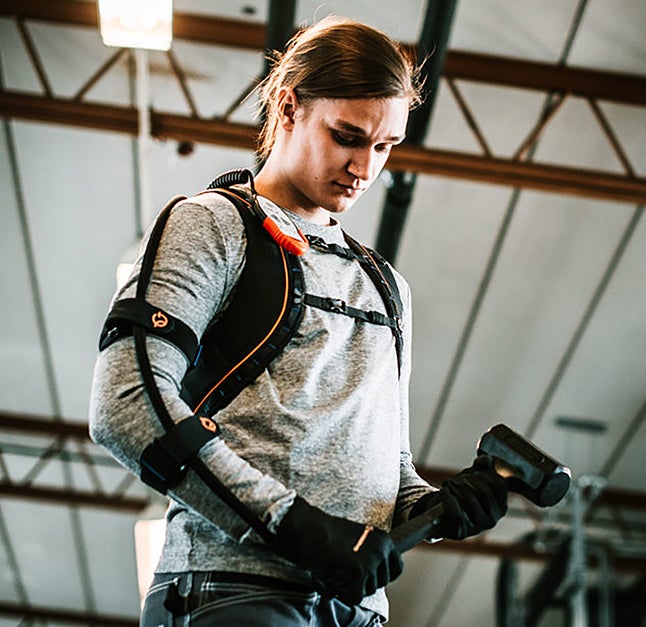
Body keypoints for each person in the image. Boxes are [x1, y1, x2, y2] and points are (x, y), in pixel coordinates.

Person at [89, 15, 507, 626]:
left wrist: (439, 506)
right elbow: (125, 406)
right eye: (347, 136)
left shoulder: (386, 287)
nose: (365, 168)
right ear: (288, 107)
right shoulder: (212, 226)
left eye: (385, 147)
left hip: (356, 608)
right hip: (235, 589)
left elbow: (384, 468)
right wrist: (296, 528)